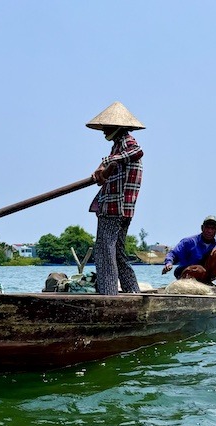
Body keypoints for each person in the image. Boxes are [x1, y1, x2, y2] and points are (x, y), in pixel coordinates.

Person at [87, 102, 144, 295]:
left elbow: (137, 152)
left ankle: (108, 296)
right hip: (119, 210)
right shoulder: (116, 147)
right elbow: (110, 164)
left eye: (106, 127)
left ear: (117, 127)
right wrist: (102, 168)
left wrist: (107, 163)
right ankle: (133, 293)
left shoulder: (127, 142)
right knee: (118, 254)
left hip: (115, 209)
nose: (103, 131)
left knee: (104, 252)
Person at [162, 216, 216, 284]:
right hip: (187, 272)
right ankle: (187, 283)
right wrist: (169, 263)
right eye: (207, 227)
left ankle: (207, 282)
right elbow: (173, 253)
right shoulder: (189, 242)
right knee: (199, 270)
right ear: (202, 228)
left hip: (205, 275)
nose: (209, 231)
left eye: (213, 228)